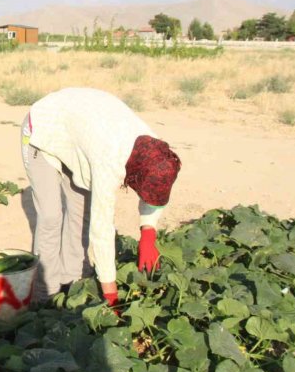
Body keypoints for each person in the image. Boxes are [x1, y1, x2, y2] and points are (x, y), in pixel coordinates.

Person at [20, 87, 181, 308]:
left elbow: (156, 189)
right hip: (43, 129)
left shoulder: (155, 150)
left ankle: (71, 283)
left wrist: (148, 230)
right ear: (133, 175)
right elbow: (102, 229)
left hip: (79, 135)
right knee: (51, 216)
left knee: (80, 213)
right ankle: (45, 295)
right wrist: (111, 296)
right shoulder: (109, 160)